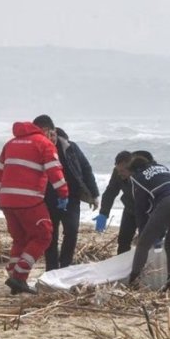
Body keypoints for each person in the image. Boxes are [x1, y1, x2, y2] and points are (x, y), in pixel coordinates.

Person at [0, 120, 69, 295]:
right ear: (45, 130)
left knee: (20, 239)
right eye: (51, 133)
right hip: (29, 201)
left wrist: (0, 194)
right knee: (44, 235)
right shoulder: (43, 143)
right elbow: (54, 170)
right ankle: (19, 276)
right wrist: (63, 194)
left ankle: (14, 274)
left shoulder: (10, 143)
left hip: (7, 200)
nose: (52, 137)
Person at [35, 116, 100, 271]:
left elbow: (85, 168)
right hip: (47, 198)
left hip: (71, 197)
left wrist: (94, 194)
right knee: (50, 235)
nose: (47, 138)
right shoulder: (37, 149)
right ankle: (51, 269)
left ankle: (65, 267)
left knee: (71, 231)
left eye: (48, 134)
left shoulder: (69, 147)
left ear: (53, 131)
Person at [127, 154, 170, 292]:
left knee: (143, 244)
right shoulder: (162, 168)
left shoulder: (137, 178)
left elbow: (140, 209)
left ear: (133, 170)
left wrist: (142, 232)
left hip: (168, 203)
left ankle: (133, 282)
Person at [94, 150, 153, 254]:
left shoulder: (144, 172)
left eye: (123, 170)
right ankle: (121, 267)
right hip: (130, 209)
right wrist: (103, 213)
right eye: (118, 170)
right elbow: (110, 192)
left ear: (132, 167)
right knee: (123, 241)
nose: (120, 173)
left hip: (146, 211)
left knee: (146, 241)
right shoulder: (118, 172)